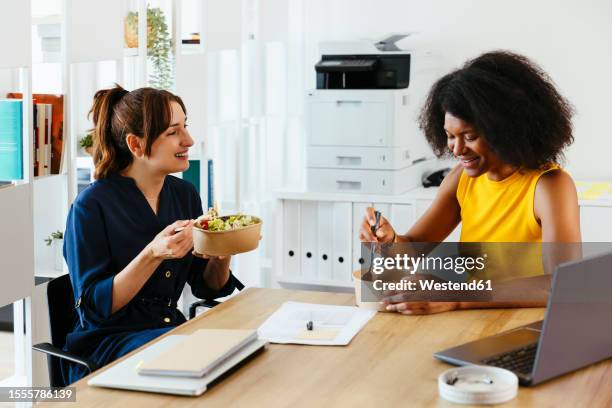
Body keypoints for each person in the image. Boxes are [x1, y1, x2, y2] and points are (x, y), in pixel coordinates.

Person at [360, 51, 581, 315]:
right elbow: (412, 249)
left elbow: (563, 286)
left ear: (506, 129)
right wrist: (389, 241)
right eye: (450, 136)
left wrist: (454, 295)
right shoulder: (460, 180)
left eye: (470, 136)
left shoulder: (550, 187)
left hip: (529, 323)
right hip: (473, 318)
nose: (457, 149)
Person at [62, 85, 239, 384]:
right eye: (173, 132)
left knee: (237, 355)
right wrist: (153, 253)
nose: (188, 140)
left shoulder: (184, 194)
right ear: (136, 144)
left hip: (170, 332)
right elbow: (93, 310)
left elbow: (206, 287)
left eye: (186, 126)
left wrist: (222, 253)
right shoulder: (90, 207)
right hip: (108, 345)